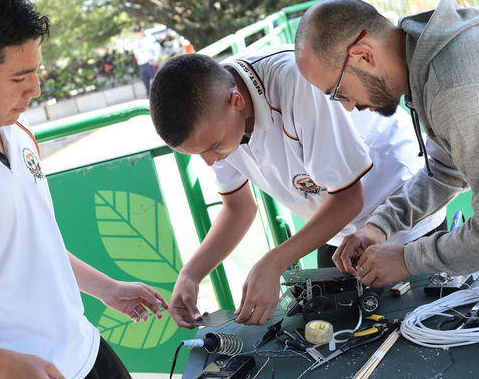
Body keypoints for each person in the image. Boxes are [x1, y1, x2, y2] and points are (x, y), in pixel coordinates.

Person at [0, 0, 168, 379]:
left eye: (37, 71)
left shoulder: (17, 127)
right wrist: (6, 364)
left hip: (87, 349)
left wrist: (104, 288)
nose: (35, 89)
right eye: (19, 77)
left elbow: (31, 241)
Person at [149, 48, 445, 328]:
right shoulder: (216, 116)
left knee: (426, 330)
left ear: (236, 101)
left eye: (213, 147)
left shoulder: (296, 82)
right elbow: (238, 208)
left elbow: (349, 199)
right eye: (198, 153)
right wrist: (191, 274)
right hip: (336, 230)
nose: (210, 161)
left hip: (399, 212)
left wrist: (275, 262)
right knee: (337, 336)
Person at [294, 0, 479, 288]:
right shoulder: (433, 69)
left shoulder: (456, 84)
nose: (347, 106)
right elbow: (447, 171)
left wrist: (409, 259)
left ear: (363, 56)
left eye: (339, 91)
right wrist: (381, 225)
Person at [132, 25, 161, 97]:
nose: (138, 34)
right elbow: (136, 53)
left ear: (142, 31)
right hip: (142, 65)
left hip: (150, 64)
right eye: (136, 33)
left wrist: (155, 59)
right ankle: (148, 97)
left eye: (139, 32)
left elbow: (158, 48)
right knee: (146, 83)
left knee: (156, 82)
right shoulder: (135, 43)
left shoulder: (149, 39)